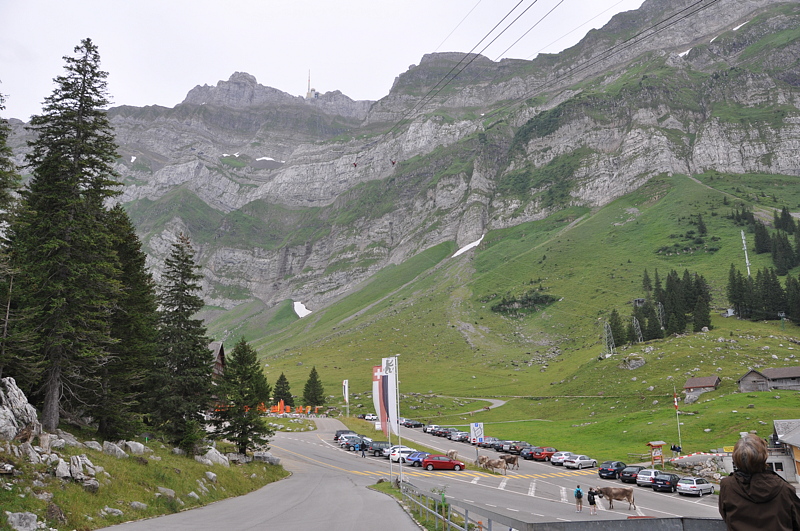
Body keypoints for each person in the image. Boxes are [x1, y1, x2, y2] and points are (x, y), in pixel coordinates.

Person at [719, 433, 800, 530]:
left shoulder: (727, 485)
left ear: (735, 458)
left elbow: (725, 515)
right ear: (764, 456)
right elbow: (797, 522)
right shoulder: (784, 489)